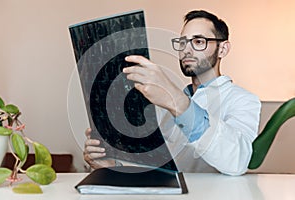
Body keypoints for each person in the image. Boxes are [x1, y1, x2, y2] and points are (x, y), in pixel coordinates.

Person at [84, 10, 261, 175]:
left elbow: (237, 161)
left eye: (198, 42)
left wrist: (177, 101)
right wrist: (113, 166)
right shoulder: (161, 103)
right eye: (183, 42)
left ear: (222, 49)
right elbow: (158, 166)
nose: (187, 50)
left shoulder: (243, 100)